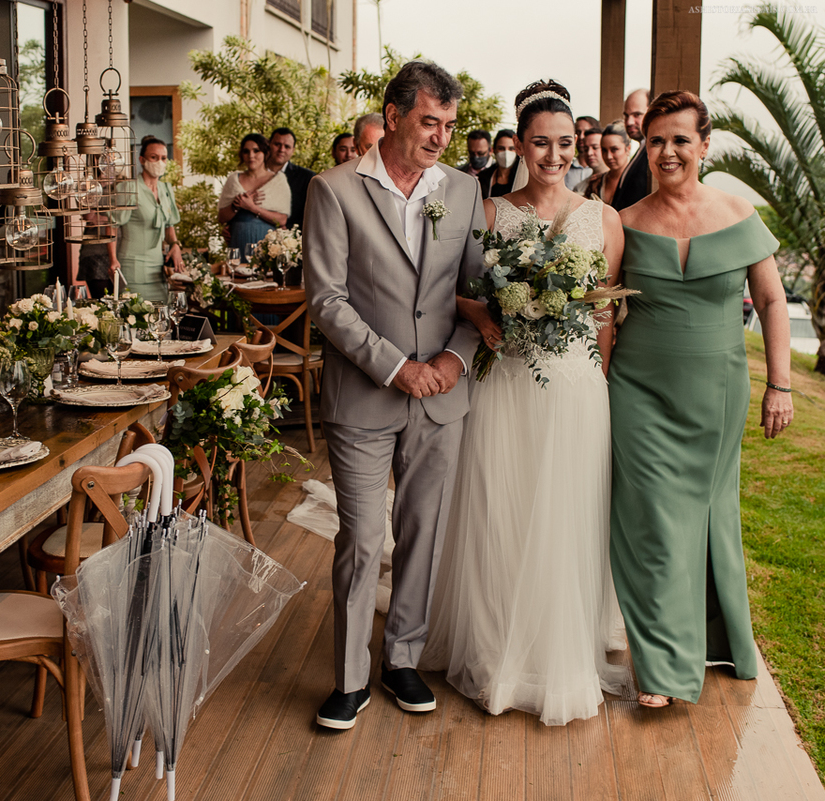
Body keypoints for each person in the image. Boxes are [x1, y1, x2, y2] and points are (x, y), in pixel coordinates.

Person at [421, 80, 630, 726]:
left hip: (576, 386)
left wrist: (598, 378)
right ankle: (495, 655)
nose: (555, 154)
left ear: (579, 145)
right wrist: (486, 320)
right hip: (509, 381)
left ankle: (558, 655)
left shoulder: (606, 218)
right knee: (502, 514)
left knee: (566, 517)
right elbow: (453, 289)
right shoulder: (488, 212)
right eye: (541, 142)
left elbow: (606, 314)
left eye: (566, 143)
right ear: (520, 141)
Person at [304, 61, 485, 730]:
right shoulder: (333, 188)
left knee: (423, 530)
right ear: (395, 113)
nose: (440, 136)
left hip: (441, 393)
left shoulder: (462, 191)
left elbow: (476, 293)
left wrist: (453, 361)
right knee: (361, 535)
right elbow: (326, 297)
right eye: (429, 122)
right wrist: (396, 367)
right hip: (363, 390)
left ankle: (402, 656)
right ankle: (350, 678)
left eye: (448, 124)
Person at [609, 90, 792, 709]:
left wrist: (781, 384)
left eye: (680, 139)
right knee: (654, 523)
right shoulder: (625, 220)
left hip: (717, 393)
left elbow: (771, 303)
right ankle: (660, 668)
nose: (667, 151)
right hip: (637, 390)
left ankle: (714, 642)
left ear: (704, 145)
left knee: (708, 517)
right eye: (655, 140)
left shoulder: (739, 214)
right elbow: (605, 312)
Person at [108, 135, 183, 303]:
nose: (159, 162)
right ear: (142, 160)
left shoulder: (165, 189)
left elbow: (169, 225)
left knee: (161, 318)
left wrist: (175, 244)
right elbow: (112, 225)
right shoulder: (128, 188)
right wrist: (113, 260)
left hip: (158, 271)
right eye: (154, 157)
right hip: (132, 268)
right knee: (136, 317)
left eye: (163, 158)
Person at [218, 133, 289, 263]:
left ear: (265, 153)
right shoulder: (234, 180)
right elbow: (221, 217)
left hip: (267, 243)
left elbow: (282, 219)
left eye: (256, 150)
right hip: (238, 239)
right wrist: (236, 205)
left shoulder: (278, 180)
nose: (251, 155)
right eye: (246, 151)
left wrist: (251, 207)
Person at [267, 127, 315, 231]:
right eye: (277, 144)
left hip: (291, 240)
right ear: (269, 145)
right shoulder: (254, 173)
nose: (281, 150)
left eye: (287, 146)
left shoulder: (306, 178)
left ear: (293, 150)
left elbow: (311, 215)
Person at [612, 88, 651, 210]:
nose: (629, 122)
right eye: (626, 116)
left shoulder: (652, 155)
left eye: (637, 115)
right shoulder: (641, 150)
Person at [583, 122, 630, 203]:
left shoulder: (638, 181)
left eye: (614, 149)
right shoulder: (595, 183)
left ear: (628, 149)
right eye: (604, 150)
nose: (608, 156)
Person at [477, 129, 518, 199]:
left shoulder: (523, 176)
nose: (506, 153)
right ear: (494, 150)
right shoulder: (484, 177)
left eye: (511, 149)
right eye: (501, 148)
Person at [566, 115, 598, 190]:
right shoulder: (564, 169)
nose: (581, 137)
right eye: (578, 132)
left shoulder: (603, 172)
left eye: (586, 132)